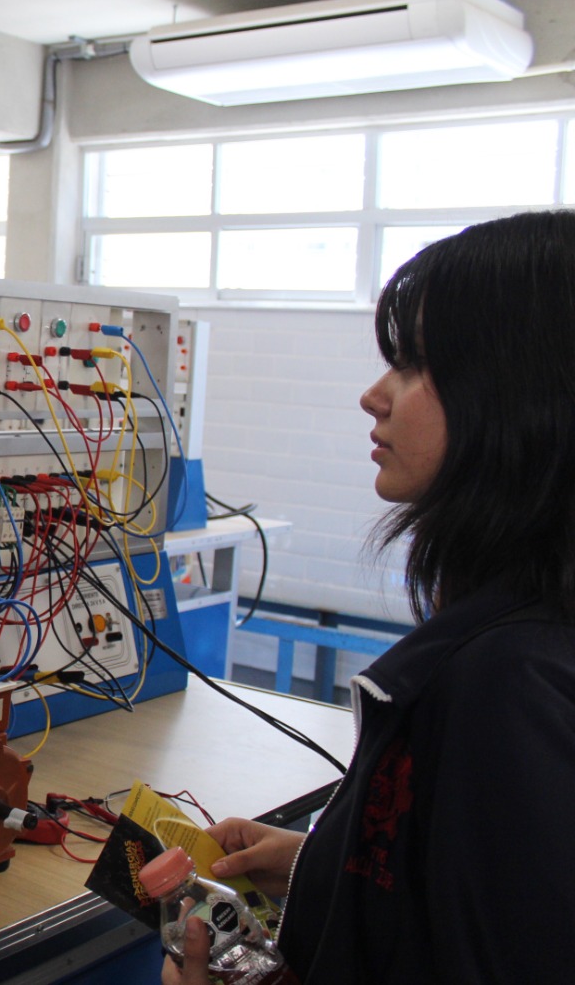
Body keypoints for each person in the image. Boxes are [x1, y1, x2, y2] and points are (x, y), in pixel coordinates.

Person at [163, 210, 575, 984]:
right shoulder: (524, 632)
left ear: (526, 396)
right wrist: (333, 866)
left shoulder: (511, 682)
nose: (374, 395)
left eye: (416, 365)